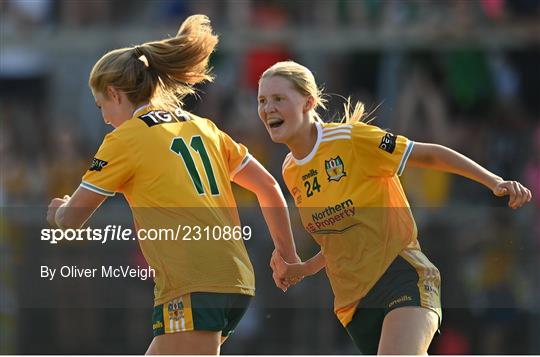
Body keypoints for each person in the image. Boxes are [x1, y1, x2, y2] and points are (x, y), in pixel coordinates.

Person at [46, 16, 300, 355]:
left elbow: (73, 219)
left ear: (114, 93)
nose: (104, 117)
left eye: (101, 106)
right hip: (235, 280)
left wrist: (58, 212)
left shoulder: (124, 139)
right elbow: (268, 186)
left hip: (195, 283)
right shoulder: (203, 127)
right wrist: (288, 255)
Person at [257, 60, 532, 354]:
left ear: (308, 102)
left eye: (278, 99)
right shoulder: (290, 170)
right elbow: (341, 237)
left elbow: (429, 154)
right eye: (262, 100)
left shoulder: (351, 140)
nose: (268, 108)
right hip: (355, 306)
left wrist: (493, 181)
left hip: (400, 277)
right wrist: (305, 268)